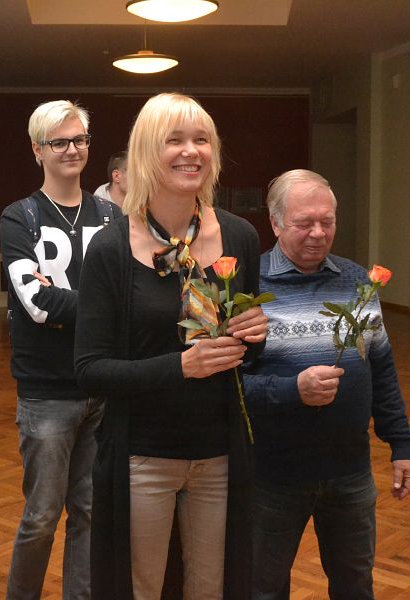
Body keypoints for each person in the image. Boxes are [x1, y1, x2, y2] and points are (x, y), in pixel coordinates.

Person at [74, 92, 268, 599]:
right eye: (174, 140)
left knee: (211, 589)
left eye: (202, 139)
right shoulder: (111, 248)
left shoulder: (240, 237)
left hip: (219, 452)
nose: (191, 151)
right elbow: (90, 369)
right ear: (144, 153)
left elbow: (246, 357)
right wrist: (181, 367)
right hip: (143, 455)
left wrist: (255, 336)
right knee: (141, 589)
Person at [243, 169, 410, 599]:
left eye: (327, 221)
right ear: (276, 223)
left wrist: (401, 445)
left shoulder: (358, 281)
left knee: (355, 584)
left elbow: (381, 368)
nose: (318, 233)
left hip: (349, 471)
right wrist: (292, 391)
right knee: (262, 587)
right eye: (304, 223)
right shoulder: (248, 286)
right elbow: (229, 387)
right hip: (272, 475)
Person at [0, 100, 111, 600]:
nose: (71, 150)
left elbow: (129, 295)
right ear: (37, 150)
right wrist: (103, 304)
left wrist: (70, 301)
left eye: (79, 140)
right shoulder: (19, 216)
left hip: (103, 384)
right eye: (58, 142)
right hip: (46, 392)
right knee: (42, 516)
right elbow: (38, 304)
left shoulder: (111, 216)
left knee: (90, 511)